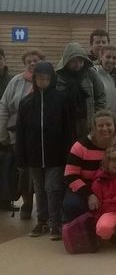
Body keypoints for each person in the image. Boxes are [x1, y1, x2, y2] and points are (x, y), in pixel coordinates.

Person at [15, 61, 71, 240]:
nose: (43, 82)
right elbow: (20, 132)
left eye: (47, 79)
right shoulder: (26, 102)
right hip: (33, 156)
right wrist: (21, 158)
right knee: (39, 189)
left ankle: (56, 224)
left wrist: (68, 154)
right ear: (34, 79)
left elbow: (68, 129)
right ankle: (42, 221)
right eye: (40, 79)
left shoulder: (61, 99)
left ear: (52, 79)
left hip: (55, 155)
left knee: (52, 188)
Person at [63, 110, 116, 223]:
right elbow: (70, 175)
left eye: (109, 125)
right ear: (93, 128)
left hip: (115, 188)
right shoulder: (80, 146)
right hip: (87, 187)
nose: (105, 129)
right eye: (100, 125)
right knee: (72, 205)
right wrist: (89, 195)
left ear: (115, 126)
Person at [0, 49, 44, 214]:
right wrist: (2, 133)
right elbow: (4, 106)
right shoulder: (16, 82)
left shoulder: (48, 80)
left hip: (40, 135)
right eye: (29, 61)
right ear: (24, 64)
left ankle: (42, 208)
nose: (33, 63)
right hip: (17, 134)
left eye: (36, 60)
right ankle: (26, 204)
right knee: (23, 171)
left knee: (40, 171)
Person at [56, 42, 106, 141]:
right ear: (67, 61)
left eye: (80, 61)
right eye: (73, 61)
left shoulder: (90, 74)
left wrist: (96, 117)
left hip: (87, 121)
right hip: (67, 122)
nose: (78, 64)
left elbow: (100, 96)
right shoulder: (59, 78)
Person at [94, 45, 116, 114]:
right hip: (100, 118)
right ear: (101, 57)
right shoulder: (94, 73)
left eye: (114, 58)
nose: (111, 60)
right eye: (108, 57)